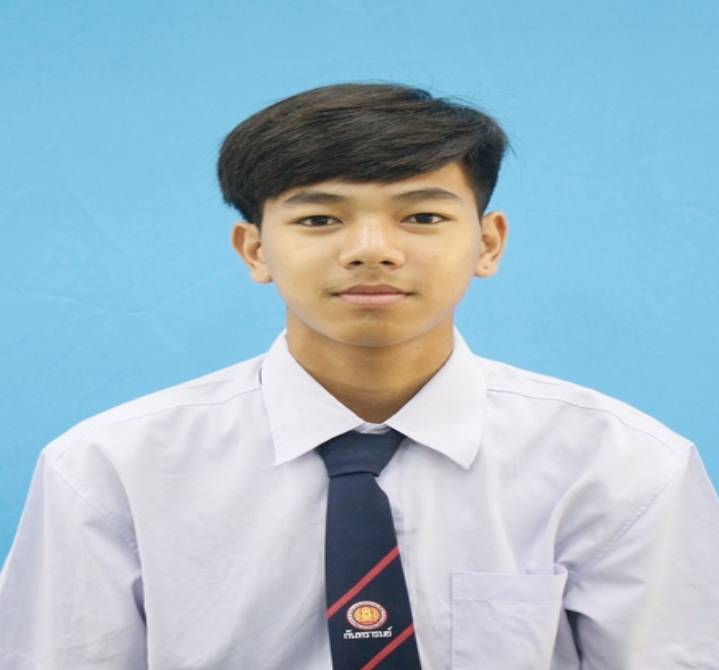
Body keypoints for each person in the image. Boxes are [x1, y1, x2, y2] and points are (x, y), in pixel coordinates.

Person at [1, 81, 717, 670]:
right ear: (254, 249)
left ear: (487, 243)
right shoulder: (108, 471)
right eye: (319, 220)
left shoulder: (622, 469)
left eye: (422, 217)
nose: (371, 250)